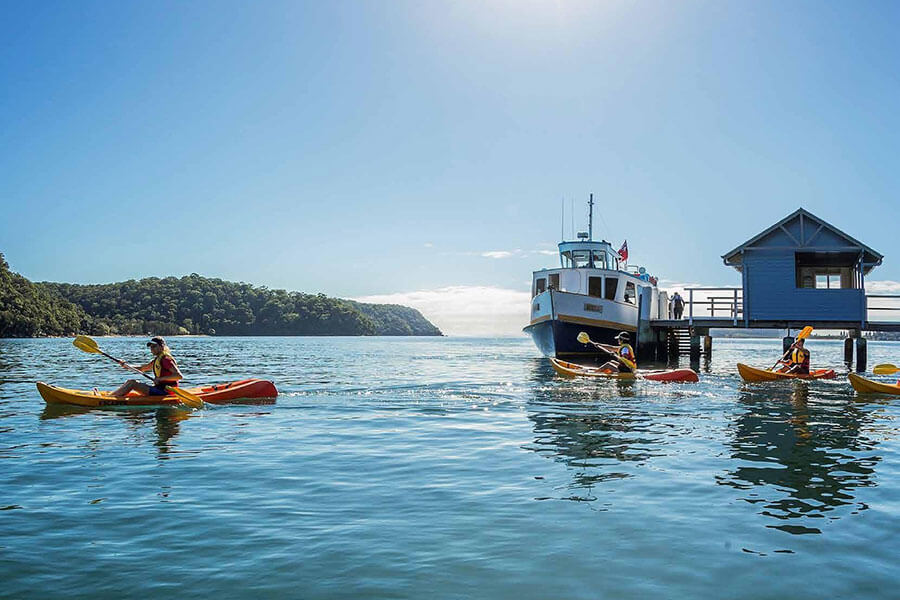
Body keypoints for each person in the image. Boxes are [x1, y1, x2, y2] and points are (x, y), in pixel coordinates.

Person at [112, 337, 184, 397]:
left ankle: (110, 399)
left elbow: (178, 376)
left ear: (162, 347)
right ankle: (111, 396)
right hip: (159, 389)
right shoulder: (157, 359)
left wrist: (160, 379)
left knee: (132, 384)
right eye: (151, 347)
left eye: (154, 346)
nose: (151, 349)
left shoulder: (166, 360)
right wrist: (126, 366)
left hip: (166, 392)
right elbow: (142, 368)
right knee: (130, 382)